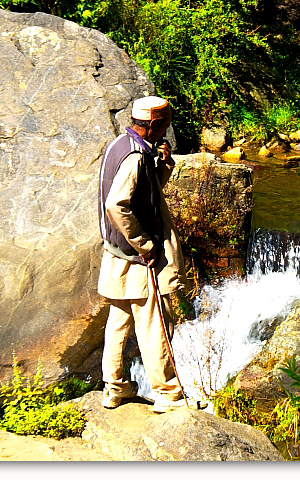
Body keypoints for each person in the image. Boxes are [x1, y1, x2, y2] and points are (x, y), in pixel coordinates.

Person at [96, 95, 192, 412]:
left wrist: (163, 166)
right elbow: (117, 205)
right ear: (152, 124)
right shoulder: (136, 157)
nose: (166, 130)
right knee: (153, 325)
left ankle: (115, 387)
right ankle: (168, 394)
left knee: (119, 322)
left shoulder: (119, 145)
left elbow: (143, 194)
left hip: (116, 252)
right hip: (138, 257)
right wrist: (146, 245)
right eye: (163, 125)